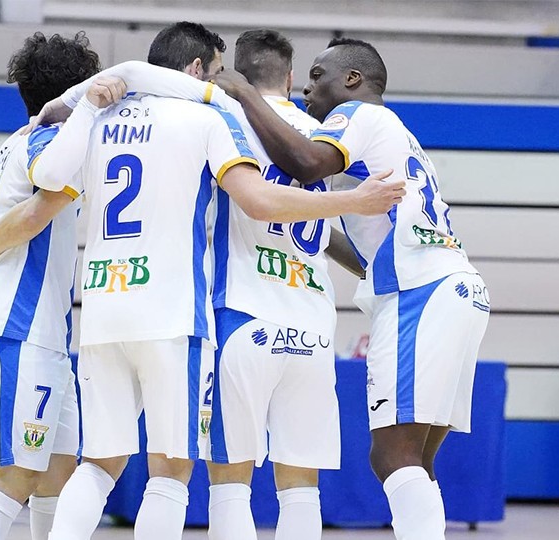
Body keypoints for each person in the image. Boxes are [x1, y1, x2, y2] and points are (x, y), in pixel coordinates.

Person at [1, 22, 404, 540]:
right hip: (239, 315)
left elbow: (50, 186)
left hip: (121, 306)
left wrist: (55, 110)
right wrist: (357, 206)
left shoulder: (101, 118)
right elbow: (275, 207)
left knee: (107, 466)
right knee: (260, 480)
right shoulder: (287, 131)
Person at [212, 38, 491, 540]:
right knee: (417, 460)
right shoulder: (396, 133)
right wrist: (300, 216)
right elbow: (347, 241)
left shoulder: (357, 114)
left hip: (419, 293)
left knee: (391, 456)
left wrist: (243, 94)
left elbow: (306, 162)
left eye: (318, 76)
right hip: (456, 289)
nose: (307, 90)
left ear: (353, 80)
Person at [0, 32, 122, 540]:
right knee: (16, 477)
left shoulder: (13, 142)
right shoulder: (46, 141)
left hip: (42, 334)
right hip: (16, 329)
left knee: (57, 473)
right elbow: (32, 215)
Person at [201, 29, 340, 540]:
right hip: (312, 324)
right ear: (290, 75)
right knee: (301, 483)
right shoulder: (319, 136)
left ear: (233, 71)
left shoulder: (221, 116)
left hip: (243, 312)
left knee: (230, 480)